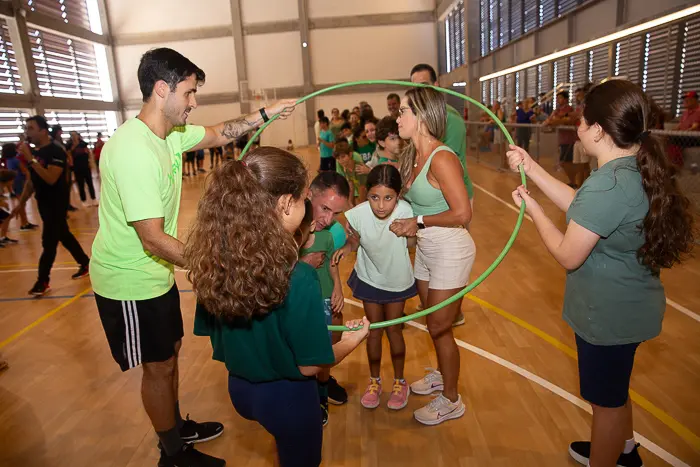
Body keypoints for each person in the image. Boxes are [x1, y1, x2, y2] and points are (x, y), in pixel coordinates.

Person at [89, 47, 296, 467]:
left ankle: (173, 428)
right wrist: (220, 264)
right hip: (128, 280)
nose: (194, 102)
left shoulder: (170, 135)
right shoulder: (133, 150)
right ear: (161, 89)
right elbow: (152, 238)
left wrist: (267, 113)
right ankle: (172, 453)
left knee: (170, 352)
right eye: (188, 92)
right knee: (158, 366)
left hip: (155, 275)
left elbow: (220, 133)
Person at [507, 80, 694, 467]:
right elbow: (583, 207)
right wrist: (531, 168)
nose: (577, 124)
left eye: (582, 119)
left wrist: (533, 211)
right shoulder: (627, 171)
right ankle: (624, 450)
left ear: (597, 130)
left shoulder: (607, 184)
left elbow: (568, 254)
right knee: (614, 391)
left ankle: (610, 454)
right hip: (629, 308)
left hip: (608, 317)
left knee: (605, 405)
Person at [190, 149, 369, 467]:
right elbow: (311, 367)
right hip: (287, 400)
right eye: (303, 199)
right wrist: (350, 342)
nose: (307, 207)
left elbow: (216, 337)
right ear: (286, 204)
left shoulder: (215, 262)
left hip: (240, 390)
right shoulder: (298, 277)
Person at [390, 87, 475, 426]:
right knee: (432, 320)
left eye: (403, 112)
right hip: (427, 246)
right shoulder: (412, 155)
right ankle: (442, 375)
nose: (397, 118)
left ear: (422, 116)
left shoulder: (442, 158)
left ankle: (451, 400)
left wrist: (418, 221)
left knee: (439, 324)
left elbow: (463, 213)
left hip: (451, 247)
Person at [333, 164, 416, 411]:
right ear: (366, 193)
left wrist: (411, 231)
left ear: (398, 196)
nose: (381, 205)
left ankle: (400, 382)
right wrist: (347, 247)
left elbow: (412, 244)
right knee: (373, 331)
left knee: (394, 331)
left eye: (388, 198)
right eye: (374, 197)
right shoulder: (357, 214)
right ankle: (374, 381)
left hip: (397, 280)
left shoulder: (405, 211)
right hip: (369, 278)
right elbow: (354, 240)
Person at [410, 63, 474, 326]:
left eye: (424, 85)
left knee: (450, 248)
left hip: (451, 193)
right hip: (432, 197)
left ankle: (451, 310)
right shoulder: (418, 124)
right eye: (414, 87)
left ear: (436, 86)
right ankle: (441, 306)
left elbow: (446, 166)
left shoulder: (450, 121)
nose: (419, 91)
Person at [13, 116, 91, 296]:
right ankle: (85, 263)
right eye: (26, 128)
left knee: (48, 242)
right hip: (43, 203)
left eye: (31, 128)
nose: (27, 132)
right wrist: (21, 203)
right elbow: (31, 181)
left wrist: (30, 160)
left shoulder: (56, 151)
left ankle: (42, 281)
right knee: (64, 235)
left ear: (42, 131)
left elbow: (50, 178)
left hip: (56, 204)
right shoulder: (36, 153)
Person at [297, 199, 343, 426]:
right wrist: (304, 262)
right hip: (304, 303)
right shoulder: (293, 241)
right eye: (324, 209)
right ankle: (307, 396)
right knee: (305, 352)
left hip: (325, 299)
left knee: (325, 352)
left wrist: (338, 287)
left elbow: (333, 265)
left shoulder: (327, 237)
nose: (328, 219)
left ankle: (322, 396)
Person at [544, 91, 579, 188]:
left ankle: (574, 182)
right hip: (562, 139)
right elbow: (548, 121)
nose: (558, 100)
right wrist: (555, 119)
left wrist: (557, 120)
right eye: (557, 98)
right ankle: (572, 181)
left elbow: (567, 120)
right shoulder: (557, 110)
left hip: (569, 139)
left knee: (567, 162)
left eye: (560, 98)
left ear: (566, 99)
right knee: (565, 162)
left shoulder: (569, 109)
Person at [2, 143, 37, 231]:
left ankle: (25, 222)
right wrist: (28, 181)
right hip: (20, 182)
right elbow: (25, 171)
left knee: (21, 203)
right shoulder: (15, 160)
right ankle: (24, 223)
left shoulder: (8, 160)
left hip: (15, 183)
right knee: (22, 203)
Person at [334, 139, 369, 206]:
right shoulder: (347, 169)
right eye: (338, 158)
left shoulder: (358, 168)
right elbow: (351, 186)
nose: (341, 161)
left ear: (350, 154)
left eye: (343, 157)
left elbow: (363, 189)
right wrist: (350, 202)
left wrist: (359, 205)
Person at [69, 131, 97, 207]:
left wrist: (90, 162)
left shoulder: (83, 144)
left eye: (75, 135)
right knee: (80, 184)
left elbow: (88, 153)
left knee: (90, 183)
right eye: (72, 135)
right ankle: (84, 200)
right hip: (77, 168)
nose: (74, 137)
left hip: (85, 166)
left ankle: (93, 198)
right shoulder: (69, 145)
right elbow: (69, 155)